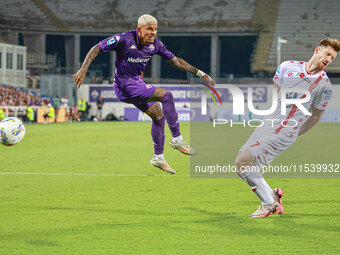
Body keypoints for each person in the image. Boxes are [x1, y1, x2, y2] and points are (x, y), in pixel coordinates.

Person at [73, 14, 215, 174]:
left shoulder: (156, 45)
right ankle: (177, 140)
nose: (153, 33)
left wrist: (199, 72)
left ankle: (158, 157)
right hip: (124, 84)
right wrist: (83, 68)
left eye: (155, 29)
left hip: (136, 84)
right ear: (139, 30)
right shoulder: (124, 39)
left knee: (158, 114)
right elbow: (97, 48)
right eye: (149, 29)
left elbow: (176, 61)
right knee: (166, 96)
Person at [235, 38, 340, 218]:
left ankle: (268, 204)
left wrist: (292, 132)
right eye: (328, 54)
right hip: (268, 124)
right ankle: (273, 196)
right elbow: (278, 90)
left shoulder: (325, 86)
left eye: (333, 57)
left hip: (285, 131)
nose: (329, 59)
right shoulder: (287, 66)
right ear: (317, 50)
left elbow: (315, 117)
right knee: (243, 167)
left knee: (242, 162)